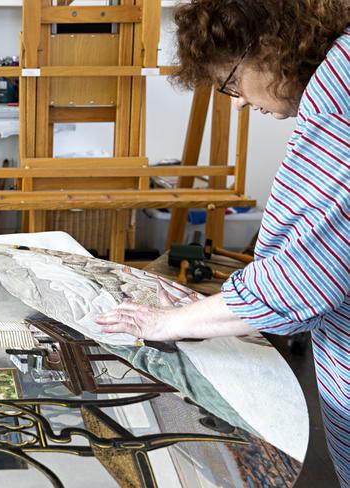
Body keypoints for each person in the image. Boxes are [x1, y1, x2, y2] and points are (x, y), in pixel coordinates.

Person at [94, 0, 350, 484]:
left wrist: (171, 320)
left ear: (268, 45)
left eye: (229, 81)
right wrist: (212, 308)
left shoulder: (340, 97)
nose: (235, 101)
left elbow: (306, 280)